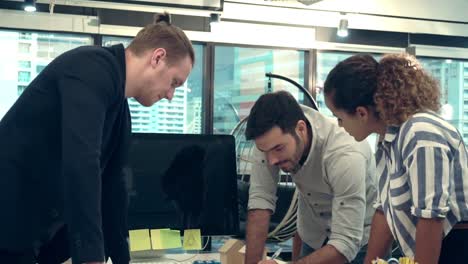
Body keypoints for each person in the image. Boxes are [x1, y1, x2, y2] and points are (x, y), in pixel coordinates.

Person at [0, 13, 194, 264]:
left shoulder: (120, 113)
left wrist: (121, 258)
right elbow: (81, 164)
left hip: (32, 230)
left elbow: (113, 189)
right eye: (174, 83)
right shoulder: (91, 67)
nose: (170, 95)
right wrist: (91, 257)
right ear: (157, 57)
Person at [323, 53, 468, 264]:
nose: (340, 126)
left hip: (456, 247)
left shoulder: (420, 132)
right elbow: (383, 211)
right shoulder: (387, 141)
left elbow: (431, 217)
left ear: (361, 113)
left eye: (340, 118)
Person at [244, 91, 378, 264]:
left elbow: (346, 243)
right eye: (265, 151)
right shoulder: (270, 140)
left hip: (359, 241)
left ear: (301, 129)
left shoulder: (344, 154)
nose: (271, 160)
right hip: (313, 235)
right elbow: (260, 200)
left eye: (278, 149)